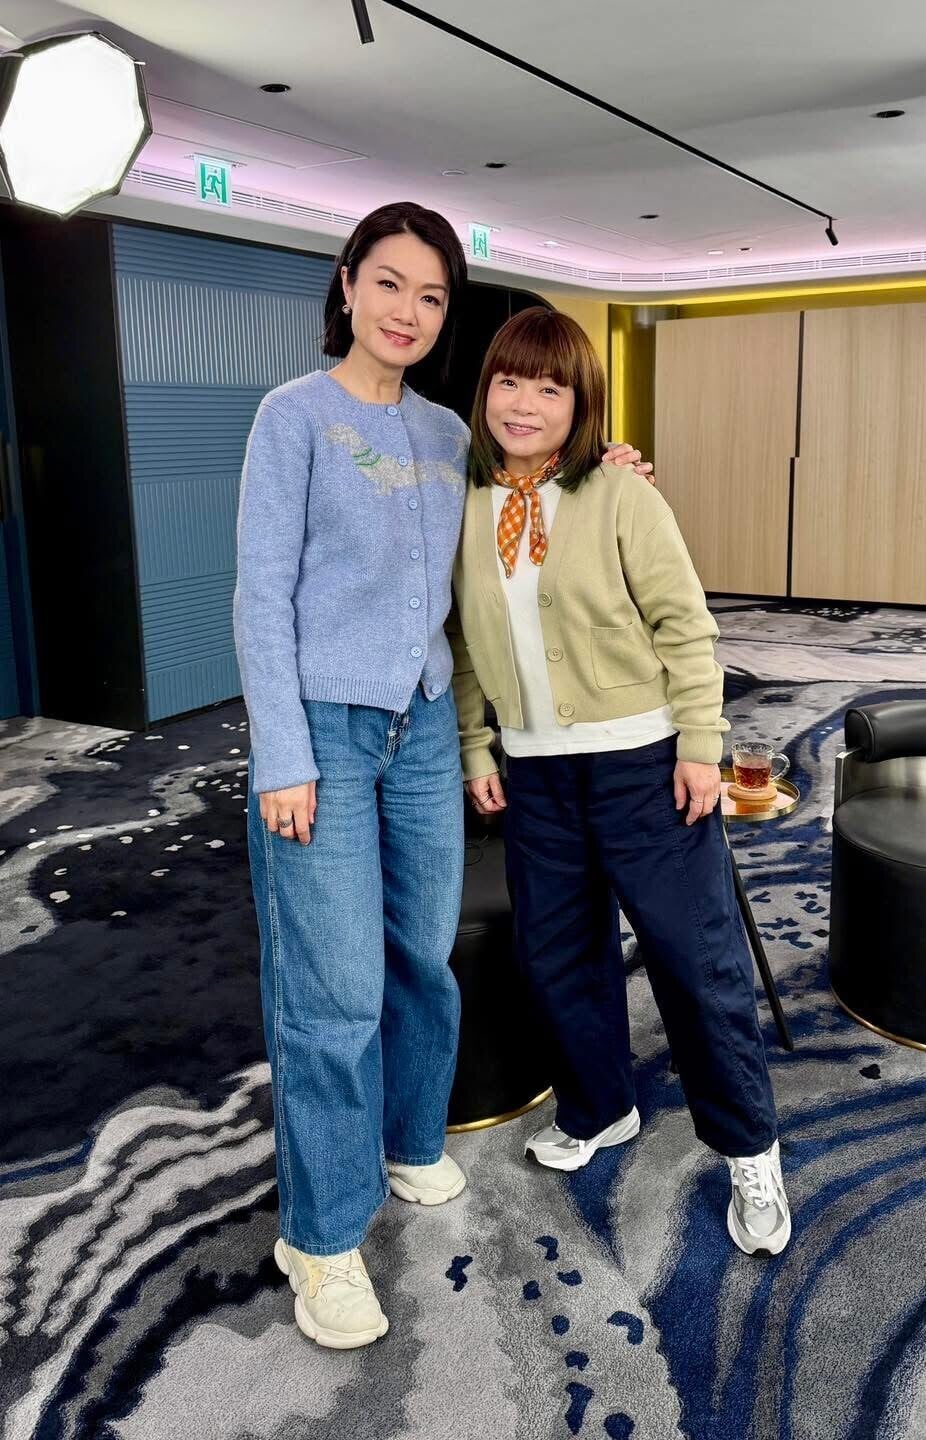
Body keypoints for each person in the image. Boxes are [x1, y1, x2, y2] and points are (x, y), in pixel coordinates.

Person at [234, 202, 653, 1351]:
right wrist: (282, 751)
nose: (408, 311)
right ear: (347, 285)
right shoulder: (293, 418)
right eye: (389, 284)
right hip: (322, 730)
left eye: (430, 295)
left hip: (419, 725)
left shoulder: (442, 433)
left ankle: (408, 1139)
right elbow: (260, 595)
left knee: (420, 956)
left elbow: (528, 496)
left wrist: (607, 470)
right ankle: (321, 1238)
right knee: (330, 993)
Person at [449, 307, 791, 1257]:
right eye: (508, 381)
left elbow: (685, 622)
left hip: (645, 765)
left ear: (581, 403)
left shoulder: (618, 493)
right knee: (558, 955)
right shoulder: (465, 503)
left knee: (694, 960)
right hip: (535, 774)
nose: (524, 403)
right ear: (485, 392)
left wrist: (701, 744)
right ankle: (600, 1108)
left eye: (549, 387)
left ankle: (750, 1148)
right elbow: (463, 642)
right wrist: (477, 747)